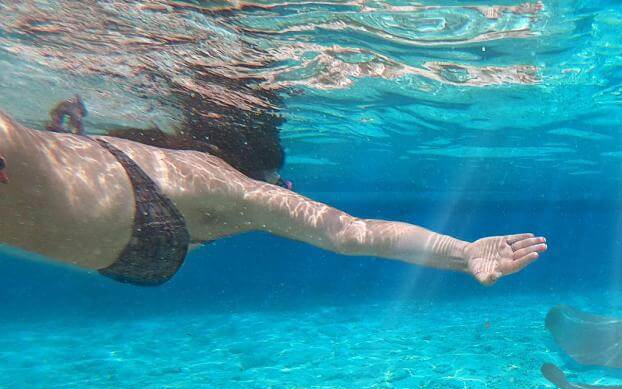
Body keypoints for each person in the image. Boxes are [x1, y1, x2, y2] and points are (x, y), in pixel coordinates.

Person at [0, 108, 546, 286]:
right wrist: (463, 251)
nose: (282, 195)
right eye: (278, 183)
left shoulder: (193, 179)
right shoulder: (223, 184)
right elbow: (351, 232)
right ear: (256, 167)